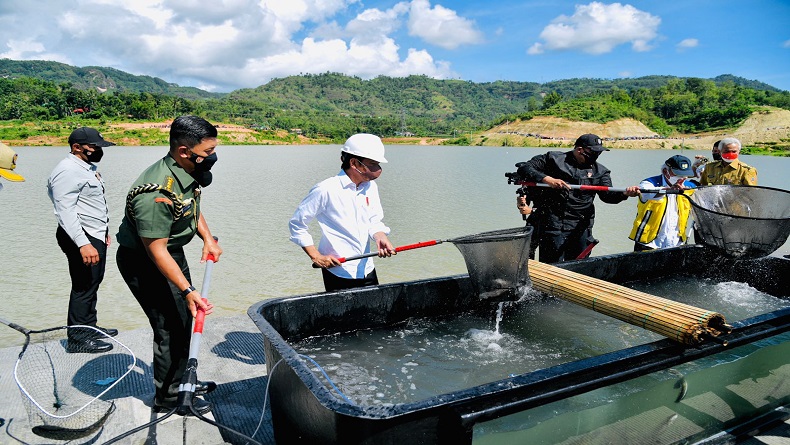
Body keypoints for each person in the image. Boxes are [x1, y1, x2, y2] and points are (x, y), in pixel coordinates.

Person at [116, 115, 220, 415]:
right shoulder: (156, 193)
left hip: (169, 253)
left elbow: (189, 207)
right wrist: (187, 290)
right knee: (170, 325)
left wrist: (208, 238)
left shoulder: (185, 173)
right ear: (185, 151)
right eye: (208, 152)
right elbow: (155, 249)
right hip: (145, 262)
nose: (212, 157)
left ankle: (183, 381)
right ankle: (169, 397)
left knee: (184, 321)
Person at [289, 133, 396, 291]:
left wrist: (380, 236)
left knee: (373, 313)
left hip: (366, 268)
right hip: (339, 270)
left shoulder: (370, 187)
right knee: (343, 316)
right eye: (372, 164)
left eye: (378, 164)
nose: (377, 169)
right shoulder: (326, 189)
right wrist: (316, 256)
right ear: (354, 163)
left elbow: (374, 220)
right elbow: (297, 223)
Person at [47, 127, 118, 353]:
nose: (98, 150)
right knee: (83, 286)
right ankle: (78, 339)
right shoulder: (67, 170)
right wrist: (84, 243)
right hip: (80, 236)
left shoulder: (86, 168)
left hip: (92, 233)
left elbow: (90, 205)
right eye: (94, 147)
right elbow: (64, 211)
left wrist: (102, 232)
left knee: (92, 282)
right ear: (76, 147)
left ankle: (90, 328)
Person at [515, 134, 640, 263]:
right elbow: (524, 168)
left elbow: (607, 196)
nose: (597, 155)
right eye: (594, 152)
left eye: (599, 152)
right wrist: (547, 179)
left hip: (581, 226)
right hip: (553, 224)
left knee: (579, 264)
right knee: (552, 264)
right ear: (580, 150)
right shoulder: (553, 158)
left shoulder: (601, 172)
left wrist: (625, 194)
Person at [629, 155, 698, 251]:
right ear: (666, 171)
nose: (682, 178)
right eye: (678, 174)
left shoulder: (690, 187)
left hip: (676, 243)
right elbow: (648, 194)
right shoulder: (648, 183)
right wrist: (669, 190)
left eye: (685, 175)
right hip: (649, 243)